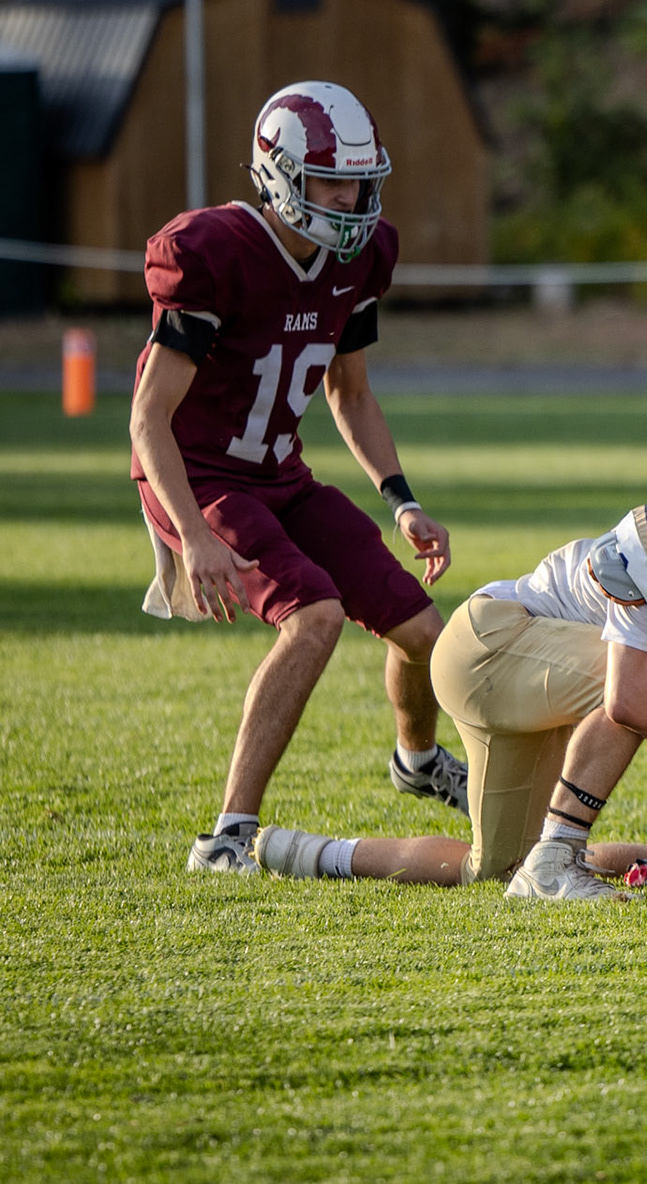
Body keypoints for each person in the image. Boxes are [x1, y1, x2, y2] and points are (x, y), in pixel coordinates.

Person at [250, 421, 647, 898]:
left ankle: (302, 852)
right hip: (488, 645)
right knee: (638, 683)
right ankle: (559, 855)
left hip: (544, 686)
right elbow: (630, 702)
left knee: (494, 867)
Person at [129, 81, 461, 874]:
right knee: (314, 615)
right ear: (279, 176)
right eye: (330, 183)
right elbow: (147, 420)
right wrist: (195, 534)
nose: (350, 201)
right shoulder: (209, 253)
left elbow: (350, 393)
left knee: (425, 634)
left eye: (359, 182)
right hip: (198, 477)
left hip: (280, 474)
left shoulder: (361, 258)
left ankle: (417, 761)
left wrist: (401, 499)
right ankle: (227, 836)